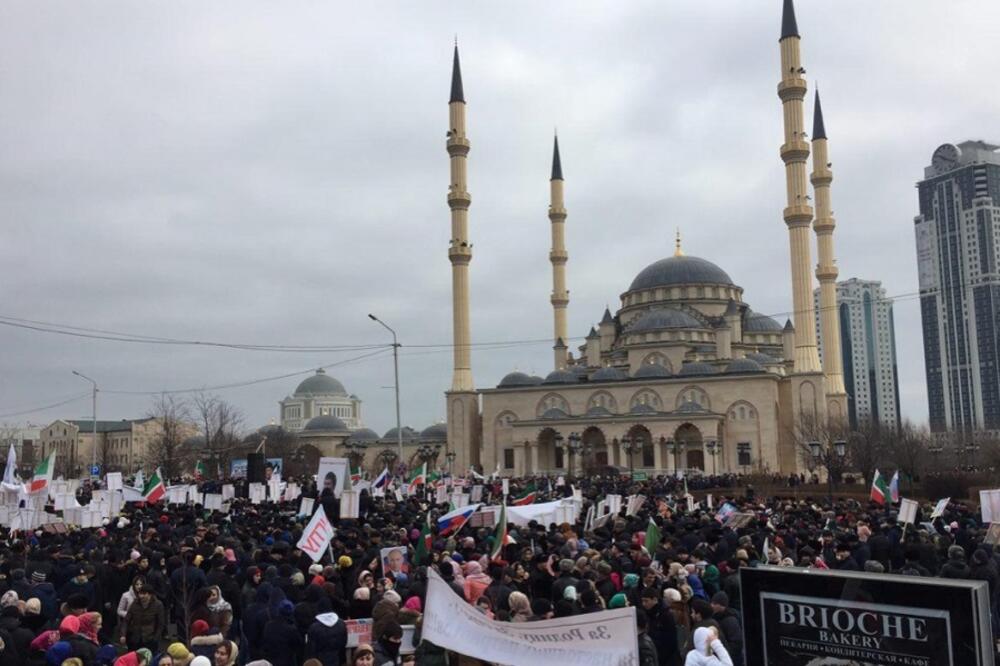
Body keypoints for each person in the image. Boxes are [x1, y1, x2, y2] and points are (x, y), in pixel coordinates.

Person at [119, 586, 165, 653]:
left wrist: (155, 638)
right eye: (140, 594)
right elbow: (126, 620)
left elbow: (161, 624)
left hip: (150, 639)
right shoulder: (135, 603)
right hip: (136, 638)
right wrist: (123, 634)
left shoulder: (158, 605)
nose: (141, 596)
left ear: (150, 595)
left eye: (144, 594)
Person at [709, 593, 742, 666]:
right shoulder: (717, 617)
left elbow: (736, 643)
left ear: (722, 605)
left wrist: (723, 656)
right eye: (711, 603)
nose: (711, 605)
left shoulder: (730, 620)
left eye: (714, 603)